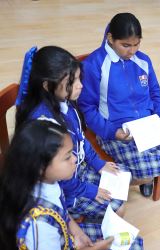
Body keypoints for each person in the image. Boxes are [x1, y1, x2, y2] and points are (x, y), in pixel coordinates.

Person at [0, 120, 160, 250]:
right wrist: (95, 248)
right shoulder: (38, 223)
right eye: (66, 157)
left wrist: (78, 232)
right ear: (40, 167)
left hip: (63, 242)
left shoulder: (47, 183)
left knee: (125, 246)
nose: (75, 159)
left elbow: (62, 212)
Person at [15, 46, 124, 220]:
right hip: (64, 189)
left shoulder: (64, 101)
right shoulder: (45, 126)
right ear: (47, 85)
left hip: (75, 169)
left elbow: (81, 139)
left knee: (120, 175)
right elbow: (59, 178)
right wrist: (89, 190)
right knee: (118, 208)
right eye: (72, 82)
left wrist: (99, 164)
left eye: (79, 78)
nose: (81, 86)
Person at [78, 12, 160, 198]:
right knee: (143, 167)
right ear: (110, 38)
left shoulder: (143, 60)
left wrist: (159, 120)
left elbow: (155, 94)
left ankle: (142, 177)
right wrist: (112, 132)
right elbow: (87, 109)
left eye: (136, 44)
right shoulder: (94, 65)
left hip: (147, 126)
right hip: (116, 130)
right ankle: (139, 178)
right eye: (125, 45)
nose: (132, 51)